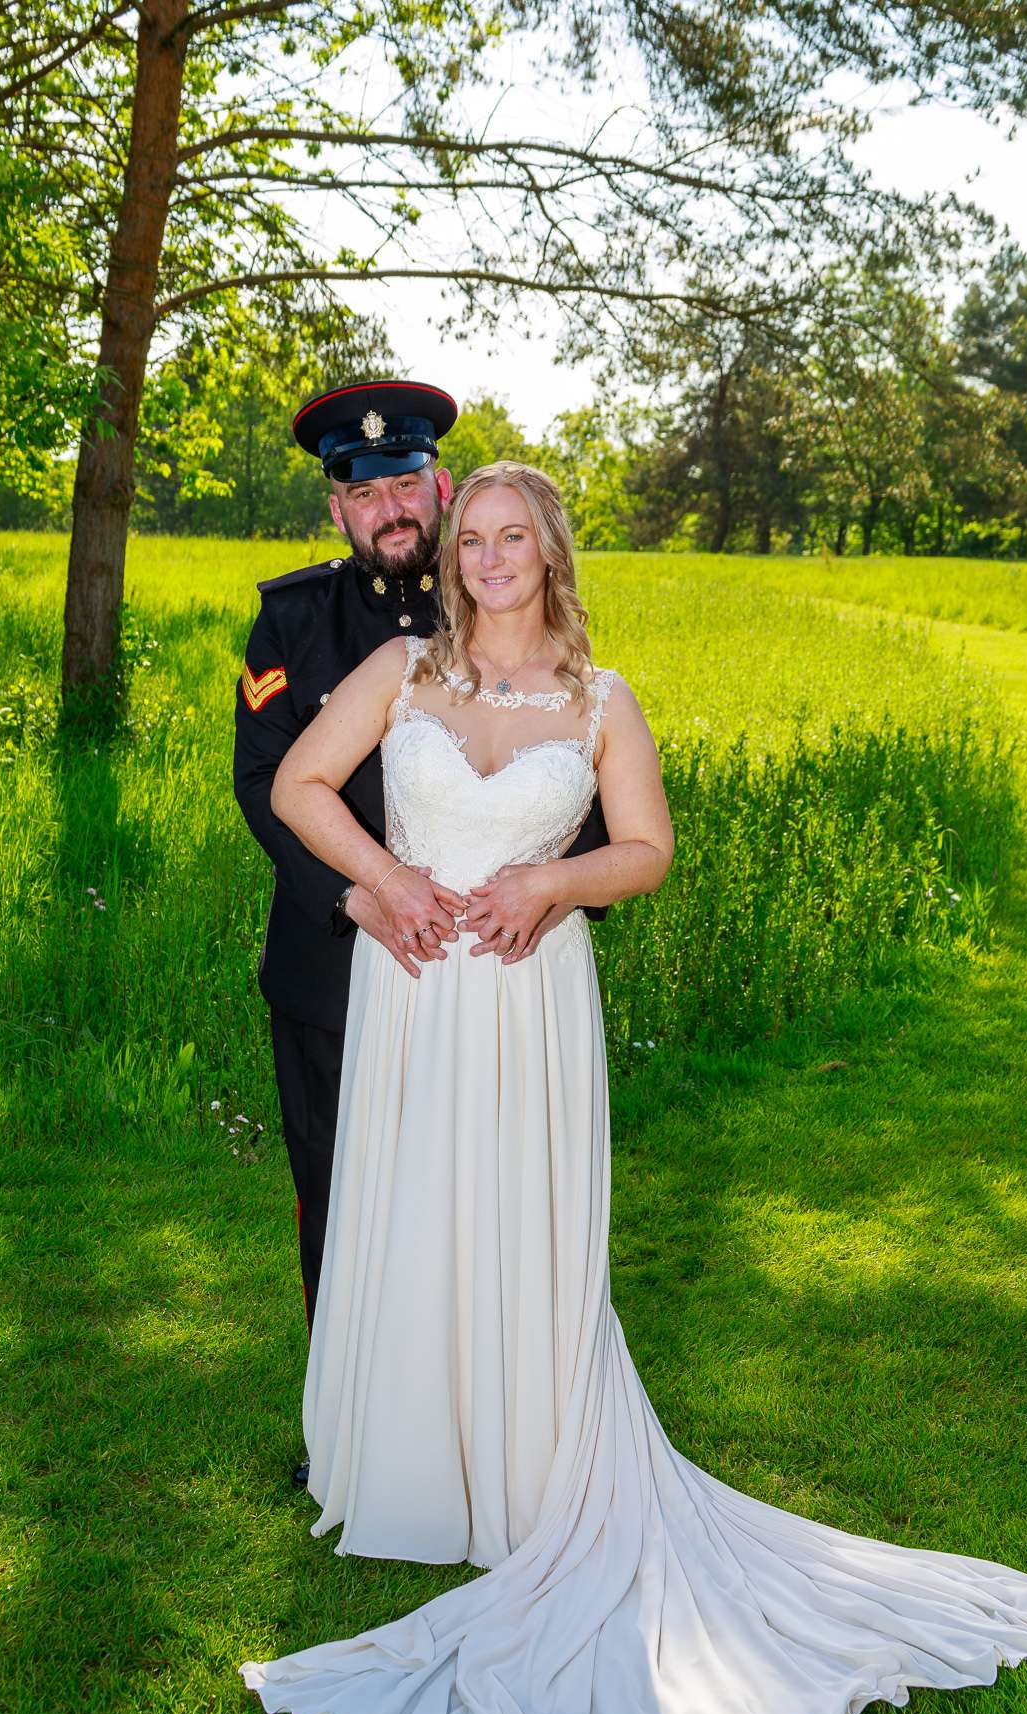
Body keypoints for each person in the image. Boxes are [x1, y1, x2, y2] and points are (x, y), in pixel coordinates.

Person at [238, 460, 1027, 1714]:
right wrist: (385, 880)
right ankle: (406, 1473)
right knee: (411, 1216)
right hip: (413, 996)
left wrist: (549, 881)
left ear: (551, 553)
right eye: (473, 538)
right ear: (451, 555)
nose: (489, 558)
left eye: (514, 537)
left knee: (516, 1227)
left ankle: (526, 1480)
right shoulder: (398, 673)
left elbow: (645, 848)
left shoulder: (599, 700)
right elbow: (297, 787)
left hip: (526, 998)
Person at [232, 383, 611, 1489]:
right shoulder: (294, 623)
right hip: (334, 970)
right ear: (338, 508)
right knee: (344, 1196)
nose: (391, 506)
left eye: (407, 482)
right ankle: (354, 1435)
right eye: (366, 492)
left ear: (439, 486)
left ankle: (485, 1426)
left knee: (485, 1198)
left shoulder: (504, 609)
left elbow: (576, 781)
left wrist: (549, 890)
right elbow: (268, 784)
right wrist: (356, 895)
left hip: (489, 975)